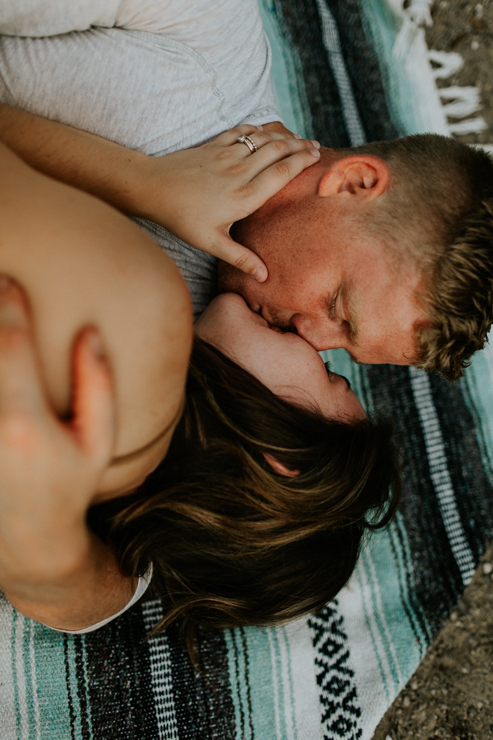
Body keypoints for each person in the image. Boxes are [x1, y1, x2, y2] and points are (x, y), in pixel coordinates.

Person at [0, 143, 399, 638]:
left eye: (328, 374)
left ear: (283, 459)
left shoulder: (146, 316)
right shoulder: (92, 497)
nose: (312, 339)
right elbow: (100, 600)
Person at [0, 0, 492, 380]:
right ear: (354, 182)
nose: (310, 340)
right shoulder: (206, 28)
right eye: (337, 307)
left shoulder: (198, 342)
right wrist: (140, 182)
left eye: (341, 350)